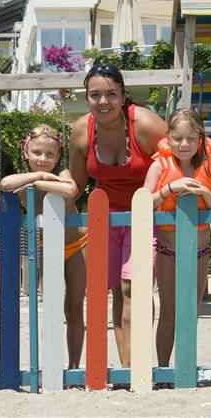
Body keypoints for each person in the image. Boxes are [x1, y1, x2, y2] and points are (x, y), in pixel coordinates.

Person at [69, 60, 167, 370]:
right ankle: (126, 368)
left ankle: (139, 364)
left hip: (144, 215)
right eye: (95, 95)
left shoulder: (146, 125)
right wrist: (40, 186)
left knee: (134, 288)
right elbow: (75, 185)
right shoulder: (81, 130)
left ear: (123, 95)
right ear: (87, 97)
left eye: (111, 94)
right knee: (115, 291)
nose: (103, 101)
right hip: (105, 217)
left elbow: (184, 154)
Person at [0, 124, 86, 369]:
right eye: (37, 153)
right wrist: (39, 177)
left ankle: (74, 366)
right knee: (51, 307)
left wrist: (38, 183)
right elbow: (5, 183)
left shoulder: (63, 173)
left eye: (50, 154)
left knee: (74, 307)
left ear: (58, 157)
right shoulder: (28, 178)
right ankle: (52, 366)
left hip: (77, 244)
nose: (43, 159)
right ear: (25, 152)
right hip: (49, 248)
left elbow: (71, 189)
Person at [144, 109, 211, 370]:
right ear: (168, 138)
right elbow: (143, 201)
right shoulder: (159, 165)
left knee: (191, 311)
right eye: (177, 138)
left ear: (200, 138)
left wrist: (204, 193)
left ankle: (185, 367)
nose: (184, 144)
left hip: (200, 250)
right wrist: (169, 189)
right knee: (168, 311)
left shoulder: (210, 165)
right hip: (168, 250)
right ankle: (163, 368)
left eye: (190, 138)